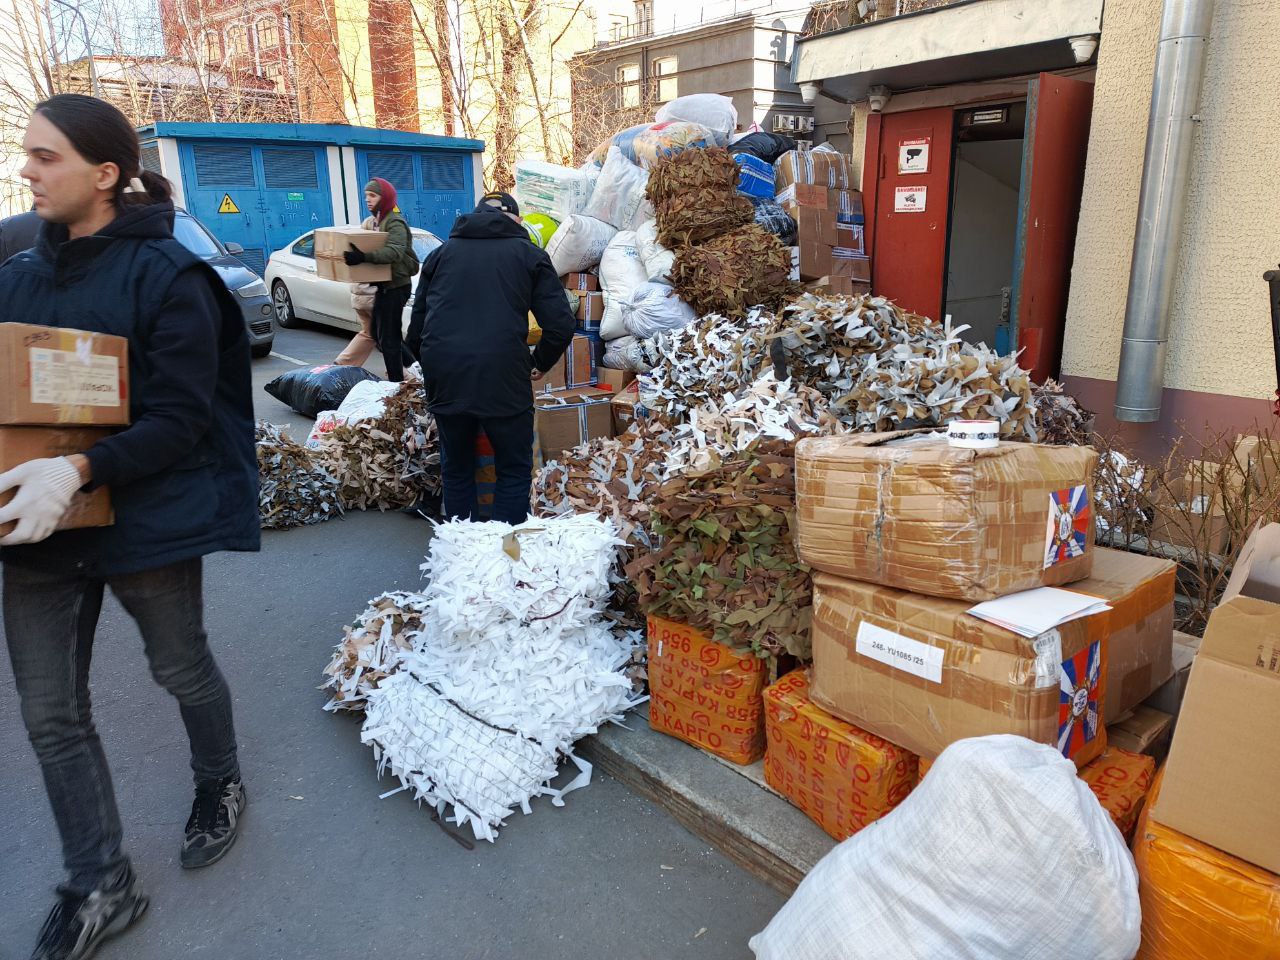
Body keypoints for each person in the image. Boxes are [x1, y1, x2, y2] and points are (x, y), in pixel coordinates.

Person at [0, 94, 258, 960]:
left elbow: (182, 418)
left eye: (46, 157)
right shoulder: (15, 277)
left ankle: (219, 782)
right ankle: (98, 883)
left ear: (105, 175)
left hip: (144, 522)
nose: (26, 170)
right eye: (26, 154)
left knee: (181, 668)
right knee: (50, 716)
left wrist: (76, 468)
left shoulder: (168, 280)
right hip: (36, 537)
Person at [409, 191, 574, 524]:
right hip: (503, 374)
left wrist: (437, 367)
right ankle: (501, 557)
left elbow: (415, 332)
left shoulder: (441, 255)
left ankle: (460, 553)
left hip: (446, 373)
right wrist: (536, 363)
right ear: (515, 219)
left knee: (456, 468)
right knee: (512, 469)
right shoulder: (529, 255)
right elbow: (560, 324)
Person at [339, 178, 418, 381]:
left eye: (373, 195)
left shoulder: (394, 221)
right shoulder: (377, 221)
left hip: (397, 286)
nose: (368, 199)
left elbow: (395, 252)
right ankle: (416, 366)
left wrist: (364, 257)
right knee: (377, 333)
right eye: (366, 195)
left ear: (385, 198)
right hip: (384, 287)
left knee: (389, 339)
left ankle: (396, 383)